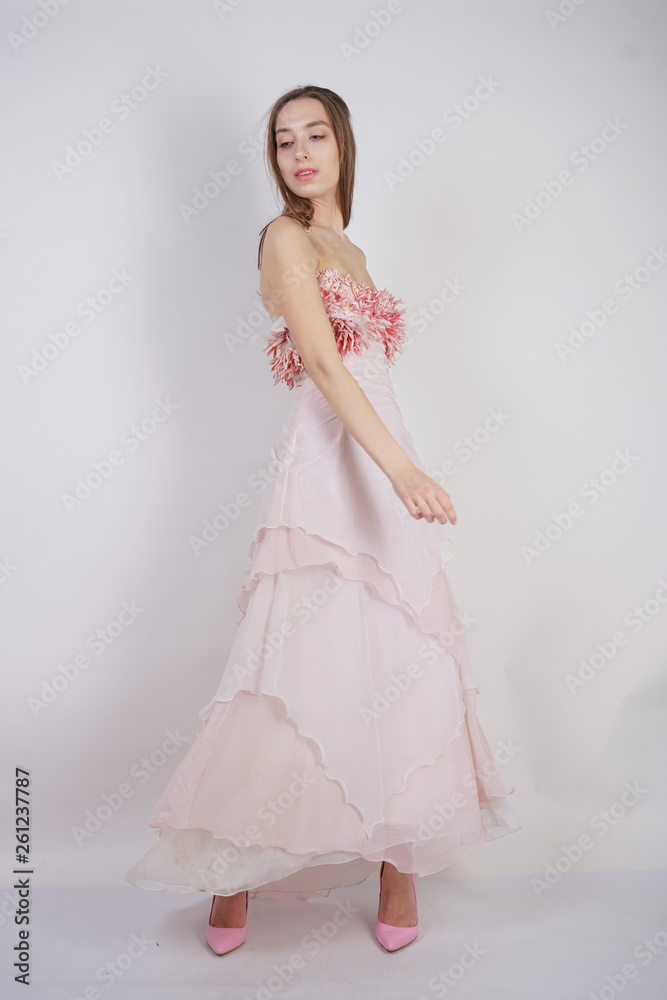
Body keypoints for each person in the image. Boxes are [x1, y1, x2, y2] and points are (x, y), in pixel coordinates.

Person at [125, 84, 521, 956]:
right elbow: (321, 364)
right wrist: (404, 468)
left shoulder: (352, 245)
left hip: (382, 456)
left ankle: (397, 861)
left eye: (314, 136)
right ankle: (230, 872)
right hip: (333, 463)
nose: (299, 153)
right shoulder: (286, 236)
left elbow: (370, 375)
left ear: (343, 144)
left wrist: (400, 464)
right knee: (295, 663)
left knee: (405, 657)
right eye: (281, 141)